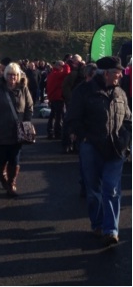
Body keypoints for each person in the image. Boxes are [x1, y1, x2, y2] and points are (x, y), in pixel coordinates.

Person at [65, 56, 131, 246]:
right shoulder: (83, 91)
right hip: (91, 147)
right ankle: (98, 223)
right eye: (117, 73)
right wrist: (83, 137)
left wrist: (125, 140)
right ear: (106, 74)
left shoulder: (120, 93)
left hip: (115, 148)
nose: (120, 76)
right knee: (93, 190)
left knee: (111, 188)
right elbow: (72, 118)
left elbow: (128, 119)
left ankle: (111, 230)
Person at [0, 62, 33, 197]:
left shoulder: (23, 88)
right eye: (10, 75)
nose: (13, 77)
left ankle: (12, 183)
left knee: (15, 158)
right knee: (2, 157)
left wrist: (26, 123)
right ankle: (2, 176)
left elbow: (29, 106)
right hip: (2, 131)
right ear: (5, 75)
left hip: (18, 131)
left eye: (15, 75)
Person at [45, 60, 70, 145]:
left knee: (53, 115)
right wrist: (66, 65)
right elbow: (67, 73)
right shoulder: (57, 74)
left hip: (52, 97)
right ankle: (57, 133)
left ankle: (50, 131)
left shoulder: (51, 74)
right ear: (59, 66)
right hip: (58, 97)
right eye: (61, 67)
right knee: (59, 116)